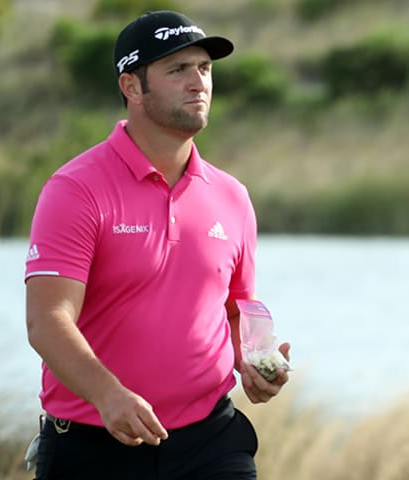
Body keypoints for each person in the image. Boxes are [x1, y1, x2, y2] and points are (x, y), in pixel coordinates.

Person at [23, 10, 289, 479]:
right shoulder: (75, 189)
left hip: (210, 442)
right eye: (177, 70)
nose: (198, 82)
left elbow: (235, 311)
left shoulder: (232, 197)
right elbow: (47, 321)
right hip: (93, 445)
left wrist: (255, 361)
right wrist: (108, 393)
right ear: (131, 87)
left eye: (204, 68)